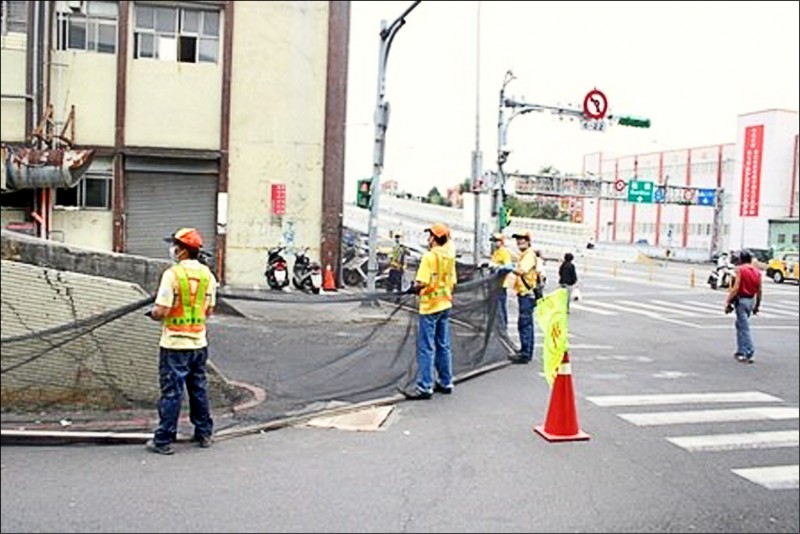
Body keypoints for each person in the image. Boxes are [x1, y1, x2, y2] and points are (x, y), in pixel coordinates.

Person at [145, 228, 218, 454]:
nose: (173, 250)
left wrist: (153, 313)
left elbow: (162, 309)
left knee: (172, 392)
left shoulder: (172, 275)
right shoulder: (208, 276)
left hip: (175, 344)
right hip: (198, 342)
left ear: (184, 250)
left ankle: (164, 439)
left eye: (176, 246)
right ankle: (204, 433)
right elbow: (210, 308)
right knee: (198, 389)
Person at [404, 222, 457, 400]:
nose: (428, 239)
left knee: (426, 347)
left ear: (435, 238)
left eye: (430, 236)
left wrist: (414, 288)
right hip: (445, 304)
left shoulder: (429, 257)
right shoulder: (449, 256)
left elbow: (422, 282)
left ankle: (425, 386)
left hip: (430, 306)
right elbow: (453, 282)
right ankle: (446, 381)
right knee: (443, 344)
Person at [724, 249, 762, 364]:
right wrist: (757, 306)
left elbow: (736, 288)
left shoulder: (740, 270)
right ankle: (741, 351)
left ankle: (748, 352)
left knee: (744, 328)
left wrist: (728, 301)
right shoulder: (757, 272)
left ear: (741, 259)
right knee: (740, 325)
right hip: (751, 300)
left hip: (742, 300)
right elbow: (759, 291)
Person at [509, 230, 538, 364]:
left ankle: (526, 353)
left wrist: (507, 268)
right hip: (524, 294)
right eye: (518, 239)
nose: (519, 241)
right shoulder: (524, 255)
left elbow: (521, 271)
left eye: (522, 239)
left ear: (528, 241)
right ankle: (525, 350)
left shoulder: (529, 255)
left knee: (525, 324)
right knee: (525, 323)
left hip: (527, 294)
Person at [488, 232, 514, 333]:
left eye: (497, 241)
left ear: (501, 241)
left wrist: (496, 267)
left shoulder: (503, 252)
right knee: (497, 307)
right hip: (495, 283)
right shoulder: (496, 252)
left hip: (501, 284)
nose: (495, 243)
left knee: (500, 307)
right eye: (494, 241)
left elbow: (508, 266)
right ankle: (499, 327)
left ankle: (503, 328)